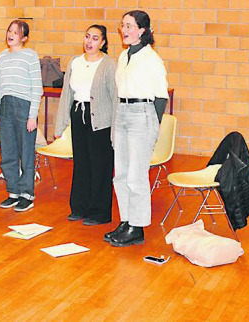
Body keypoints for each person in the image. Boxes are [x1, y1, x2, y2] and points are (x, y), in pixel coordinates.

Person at [106, 10, 169, 247]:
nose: (124, 30)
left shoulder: (151, 58)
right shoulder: (123, 57)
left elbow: (161, 96)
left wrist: (152, 126)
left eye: (129, 26)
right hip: (122, 113)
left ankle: (138, 227)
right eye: (123, 25)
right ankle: (126, 220)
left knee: (136, 175)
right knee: (120, 174)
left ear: (142, 30)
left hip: (142, 115)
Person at [55, 25, 117, 225]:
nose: (89, 42)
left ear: (103, 43)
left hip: (100, 119)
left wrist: (115, 131)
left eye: (95, 38)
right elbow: (67, 95)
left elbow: (115, 99)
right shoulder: (75, 62)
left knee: (100, 166)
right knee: (81, 163)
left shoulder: (108, 65)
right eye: (87, 37)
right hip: (78, 115)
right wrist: (60, 125)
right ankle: (79, 207)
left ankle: (99, 212)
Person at [0, 20, 42, 212]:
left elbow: (37, 88)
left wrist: (32, 116)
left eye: (16, 32)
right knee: (8, 152)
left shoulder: (30, 56)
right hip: (6, 106)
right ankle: (13, 191)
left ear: (24, 38)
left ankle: (26, 194)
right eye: (9, 31)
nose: (11, 35)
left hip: (24, 106)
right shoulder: (2, 57)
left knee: (26, 153)